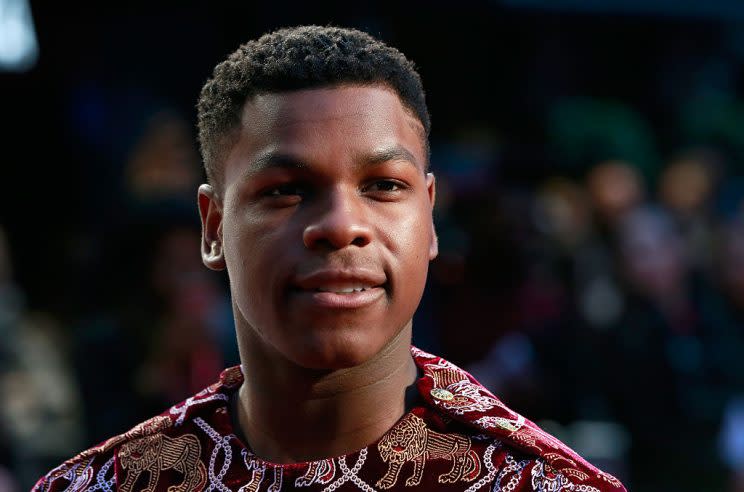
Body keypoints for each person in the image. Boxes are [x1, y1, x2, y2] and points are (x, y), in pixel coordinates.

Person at [34, 25, 626, 491]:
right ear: (214, 227)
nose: (341, 227)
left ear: (429, 216)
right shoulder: (105, 484)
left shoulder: (538, 484)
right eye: (286, 189)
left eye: (383, 186)